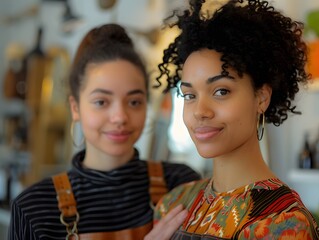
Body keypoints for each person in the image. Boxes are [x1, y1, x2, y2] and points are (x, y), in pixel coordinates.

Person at [7, 23, 200, 240]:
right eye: (101, 102)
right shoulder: (35, 208)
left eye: (134, 102)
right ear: (75, 108)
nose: (120, 117)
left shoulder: (180, 185)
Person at [153, 0, 319, 239]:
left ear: (261, 97)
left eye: (221, 91)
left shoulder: (282, 222)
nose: (200, 111)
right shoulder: (173, 204)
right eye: (189, 95)